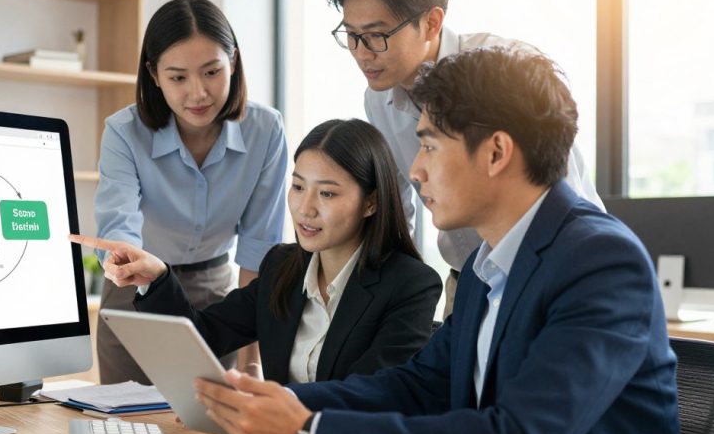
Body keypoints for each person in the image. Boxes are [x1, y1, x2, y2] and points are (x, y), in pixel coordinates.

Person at [191, 49, 687, 434]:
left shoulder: (599, 262)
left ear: (495, 153)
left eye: (428, 145)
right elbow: (419, 385)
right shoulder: (483, 267)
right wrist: (277, 404)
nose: (414, 169)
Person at [328, 0, 604, 314]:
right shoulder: (378, 98)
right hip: (468, 276)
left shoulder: (505, 72)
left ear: (432, 22)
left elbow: (557, 186)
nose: (361, 52)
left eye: (376, 35)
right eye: (351, 35)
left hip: (552, 268)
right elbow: (399, 211)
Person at [72, 119, 442, 383]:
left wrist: (265, 405)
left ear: (371, 203)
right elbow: (203, 334)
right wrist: (157, 278)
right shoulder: (283, 268)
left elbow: (371, 393)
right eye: (298, 187)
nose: (305, 208)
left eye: (327, 193)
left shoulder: (410, 285)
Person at [93, 0, 288, 384]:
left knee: (209, 431)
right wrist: (123, 262)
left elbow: (258, 252)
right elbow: (119, 222)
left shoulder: (266, 130)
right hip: (135, 293)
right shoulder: (124, 132)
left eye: (212, 71)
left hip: (218, 300)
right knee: (127, 432)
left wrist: (251, 363)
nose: (198, 93)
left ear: (233, 60)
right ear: (153, 74)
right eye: (178, 77)